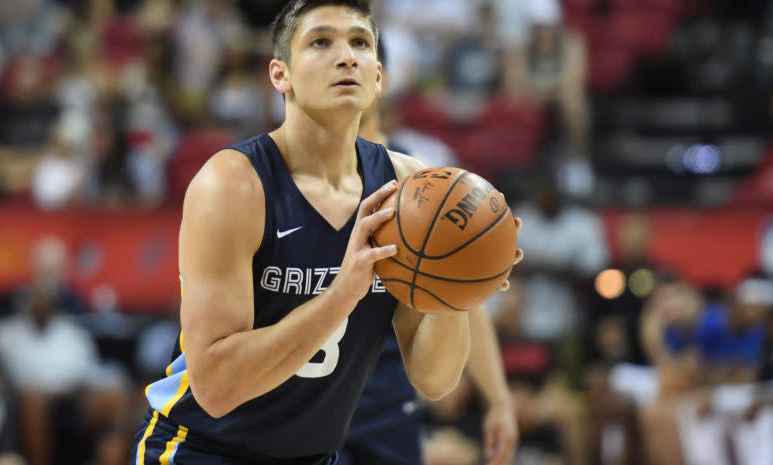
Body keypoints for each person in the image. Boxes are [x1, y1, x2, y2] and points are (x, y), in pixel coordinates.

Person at [130, 2, 524, 465]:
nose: (346, 56)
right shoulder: (233, 185)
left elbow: (433, 380)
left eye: (360, 42)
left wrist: (460, 285)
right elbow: (216, 388)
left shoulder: (409, 190)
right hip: (201, 450)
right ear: (281, 75)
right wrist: (342, 294)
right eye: (320, 42)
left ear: (378, 77)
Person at [343, 40, 517, 465]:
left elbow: (461, 297)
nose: (343, 66)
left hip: (385, 387)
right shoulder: (283, 177)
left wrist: (498, 397)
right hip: (297, 394)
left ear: (381, 76)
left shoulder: (427, 175)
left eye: (358, 54)